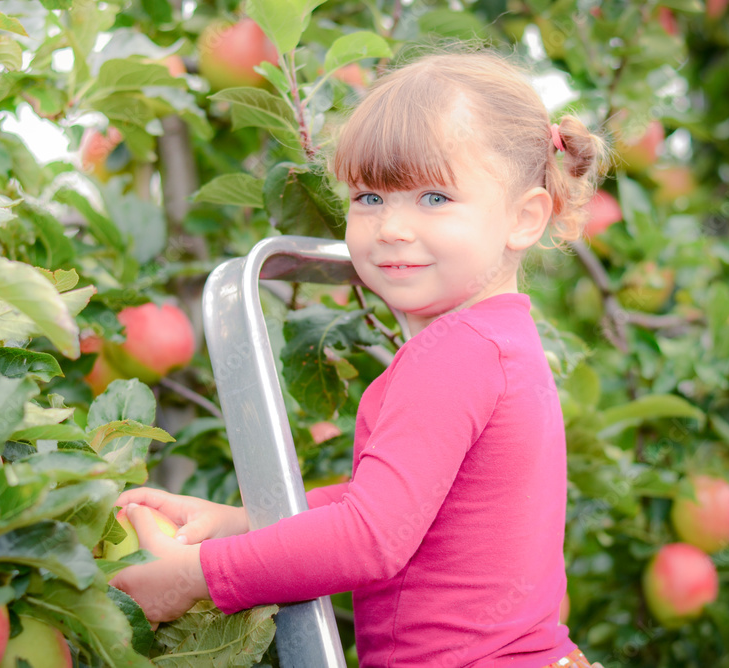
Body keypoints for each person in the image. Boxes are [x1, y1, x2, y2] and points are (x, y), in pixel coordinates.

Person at [110, 47, 608, 667]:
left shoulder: (455, 354)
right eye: (370, 197)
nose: (392, 227)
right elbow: (390, 504)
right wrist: (235, 523)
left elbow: (369, 538)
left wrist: (196, 576)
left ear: (525, 217)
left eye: (433, 198)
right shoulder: (501, 341)